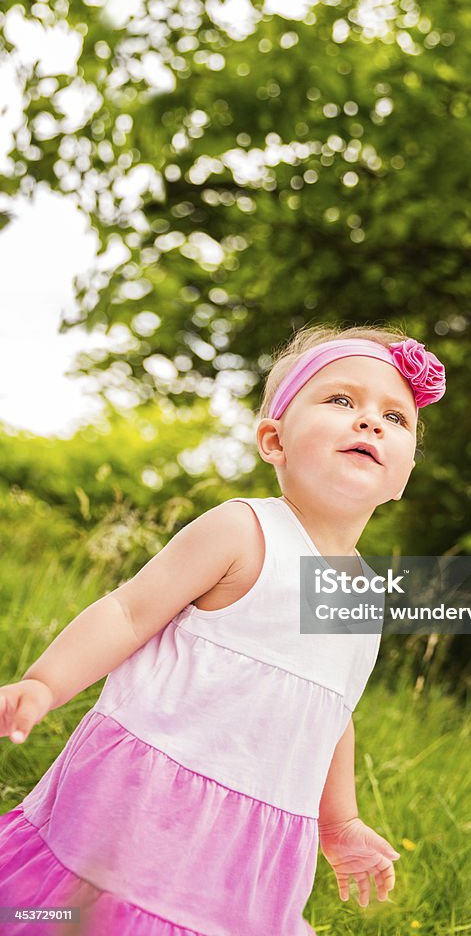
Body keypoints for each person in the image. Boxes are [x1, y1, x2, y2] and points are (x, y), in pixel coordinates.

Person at [0, 323, 446, 935]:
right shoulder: (243, 530)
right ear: (274, 440)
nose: (369, 421)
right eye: (341, 401)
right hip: (148, 798)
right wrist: (44, 685)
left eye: (395, 417)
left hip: (251, 840)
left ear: (403, 473)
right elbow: (128, 611)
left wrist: (339, 824)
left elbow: (332, 711)